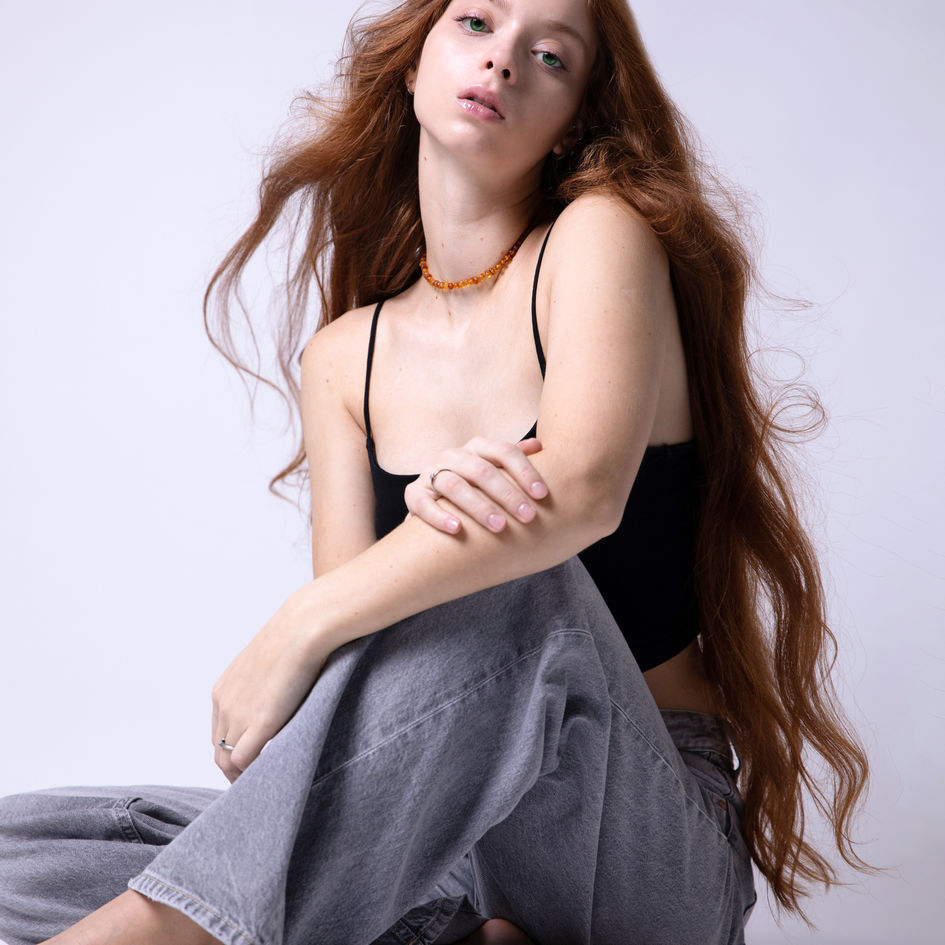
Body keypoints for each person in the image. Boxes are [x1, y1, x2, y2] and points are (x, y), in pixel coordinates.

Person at [0, 1, 871, 943]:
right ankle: (454, 930)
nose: (502, 61)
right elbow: (359, 687)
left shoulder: (597, 238)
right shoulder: (344, 359)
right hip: (448, 847)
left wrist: (302, 619)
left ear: (573, 120)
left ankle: (174, 933)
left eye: (549, 55)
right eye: (476, 24)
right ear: (413, 66)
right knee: (30, 848)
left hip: (639, 842)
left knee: (520, 575)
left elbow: (580, 494)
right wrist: (373, 601)